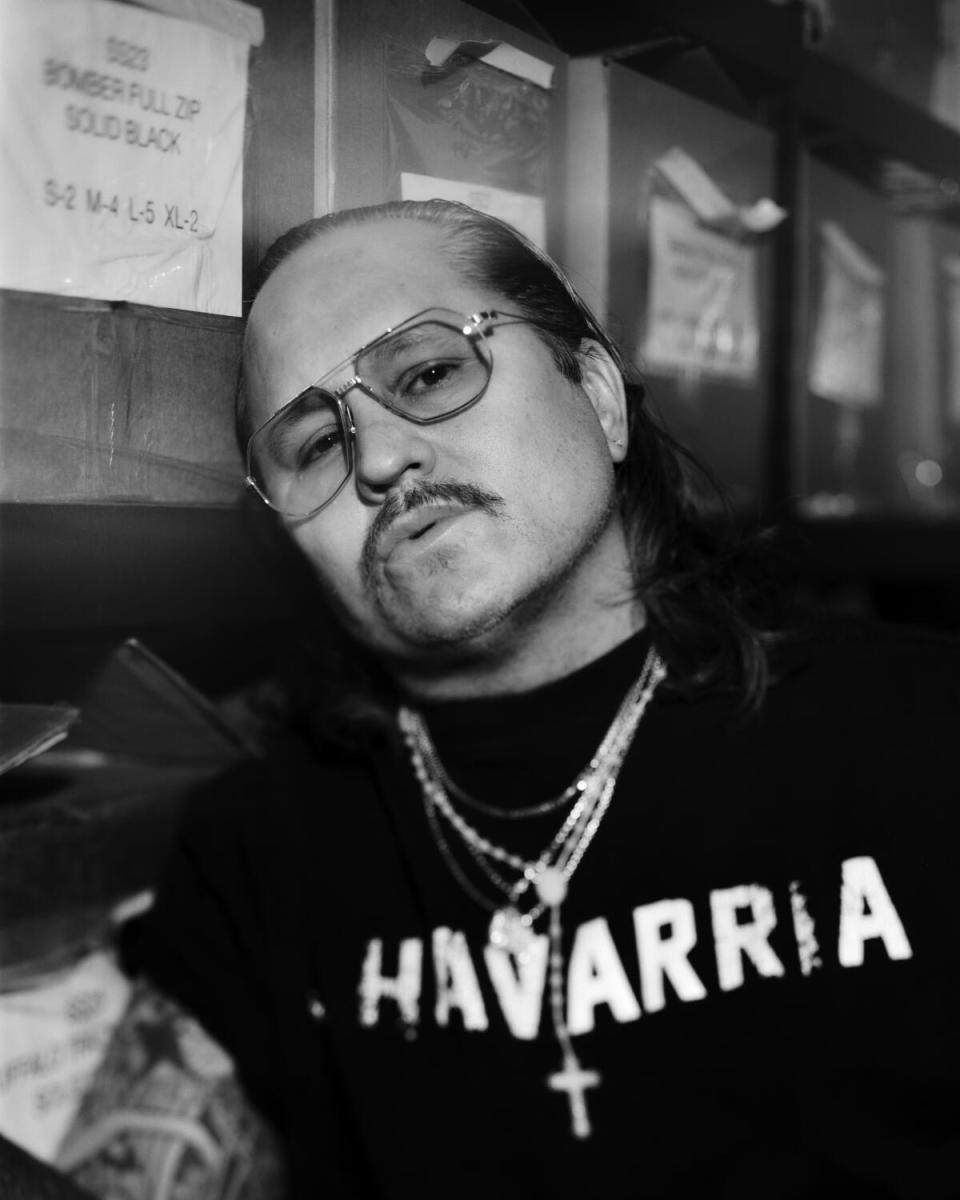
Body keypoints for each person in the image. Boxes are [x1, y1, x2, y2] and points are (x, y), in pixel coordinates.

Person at [58, 199, 960, 1198]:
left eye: (432, 372)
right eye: (316, 445)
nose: (385, 458)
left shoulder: (918, 733)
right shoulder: (257, 853)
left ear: (601, 397)